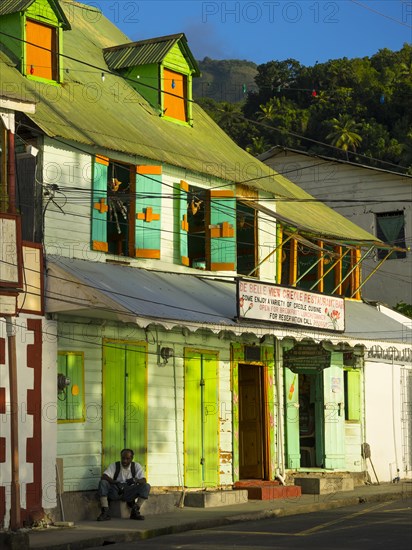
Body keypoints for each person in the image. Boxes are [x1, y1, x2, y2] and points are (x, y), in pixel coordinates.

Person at [97, 448, 150, 521]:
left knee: (146, 486)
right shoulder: (115, 465)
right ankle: (105, 512)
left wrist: (135, 480)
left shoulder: (136, 466)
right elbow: (104, 476)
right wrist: (115, 482)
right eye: (123, 458)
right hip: (116, 491)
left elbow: (144, 480)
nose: (125, 461)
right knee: (103, 482)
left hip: (129, 492)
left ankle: (135, 511)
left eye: (127, 459)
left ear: (132, 458)